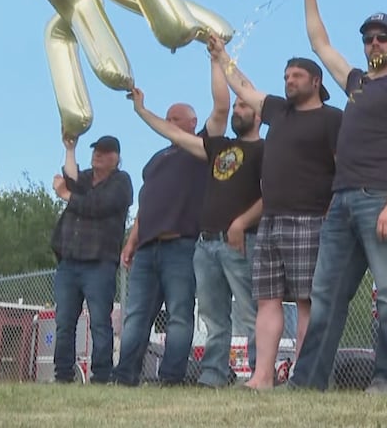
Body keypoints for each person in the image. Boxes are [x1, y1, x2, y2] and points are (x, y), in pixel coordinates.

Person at [290, 0, 387, 393]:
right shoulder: (355, 84)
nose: (374, 42)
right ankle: (307, 383)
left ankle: (386, 379)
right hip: (342, 203)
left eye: (382, 36)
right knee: (326, 296)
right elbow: (320, 42)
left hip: (379, 200)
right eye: (369, 38)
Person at [206, 38, 343, 392]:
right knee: (267, 301)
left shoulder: (332, 119)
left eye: (297, 75)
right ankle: (262, 377)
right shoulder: (278, 111)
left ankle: (306, 375)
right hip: (271, 221)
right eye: (286, 75)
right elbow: (245, 88)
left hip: (310, 220)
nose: (289, 80)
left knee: (305, 301)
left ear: (316, 82)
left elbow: (343, 169)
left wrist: (332, 215)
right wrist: (222, 57)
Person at [127, 57, 264, 388]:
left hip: (239, 242)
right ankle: (213, 375)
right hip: (205, 244)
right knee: (214, 318)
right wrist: (143, 111)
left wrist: (218, 61)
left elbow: (270, 195)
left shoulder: (266, 150)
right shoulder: (217, 148)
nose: (237, 110)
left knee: (251, 314)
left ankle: (262, 372)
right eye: (237, 107)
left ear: (259, 114)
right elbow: (172, 129)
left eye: (244, 106)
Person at [110, 102, 206, 386]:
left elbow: (220, 112)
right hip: (147, 248)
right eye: (167, 119)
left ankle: (171, 377)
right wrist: (131, 243)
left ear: (193, 122)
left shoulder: (200, 149)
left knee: (179, 314)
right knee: (136, 316)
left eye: (176, 118)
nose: (170, 122)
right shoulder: (155, 160)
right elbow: (146, 205)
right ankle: (125, 376)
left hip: (181, 245)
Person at [49, 134, 133, 384]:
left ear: (115, 158)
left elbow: (97, 206)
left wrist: (66, 195)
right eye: (96, 150)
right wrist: (70, 149)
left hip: (99, 263)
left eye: (104, 151)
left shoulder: (121, 182)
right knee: (64, 322)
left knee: (99, 322)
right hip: (69, 262)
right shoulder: (85, 178)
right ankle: (63, 375)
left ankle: (102, 375)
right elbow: (71, 179)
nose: (98, 154)